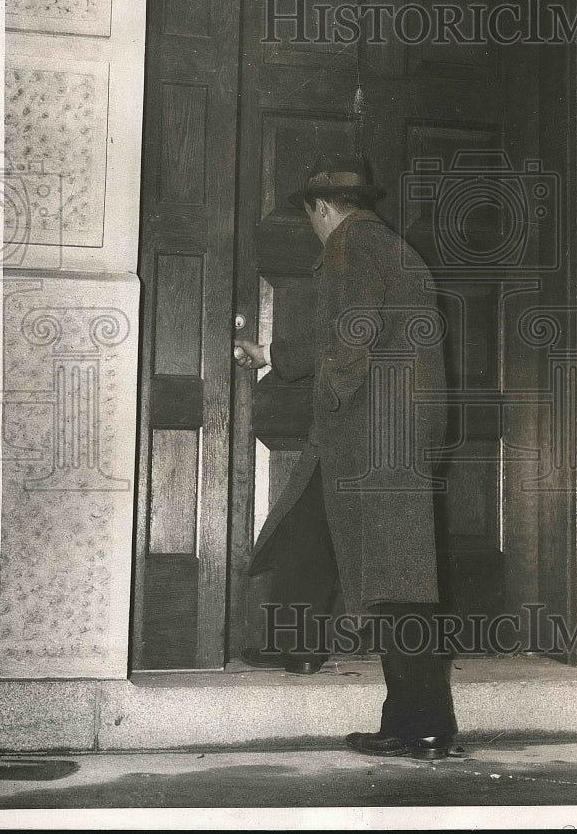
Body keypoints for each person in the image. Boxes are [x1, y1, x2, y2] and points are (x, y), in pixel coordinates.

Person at [235, 152, 456, 760]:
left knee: (398, 582)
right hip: (397, 436)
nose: (312, 226)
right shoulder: (387, 246)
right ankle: (408, 720)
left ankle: (424, 725)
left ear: (323, 207)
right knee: (391, 575)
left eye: (310, 215)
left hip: (374, 441)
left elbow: (351, 337)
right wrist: (282, 358)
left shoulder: (352, 246)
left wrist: (331, 404)